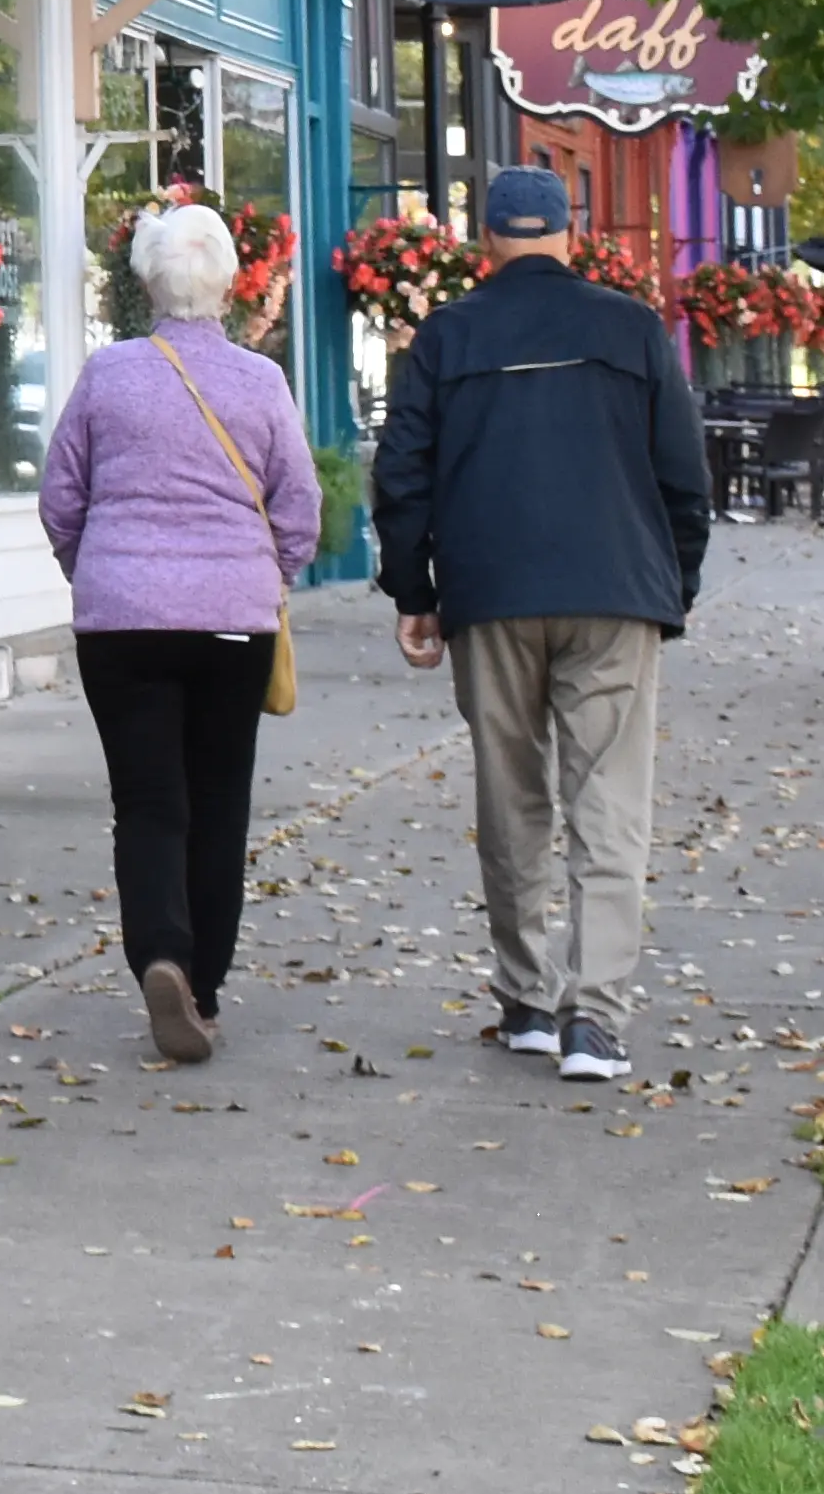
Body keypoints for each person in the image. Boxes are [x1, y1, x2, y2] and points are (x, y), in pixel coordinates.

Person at [370, 162, 708, 1083]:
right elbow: (685, 474)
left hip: (492, 591)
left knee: (511, 795)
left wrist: (415, 592)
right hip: (615, 590)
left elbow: (402, 474)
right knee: (609, 802)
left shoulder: (447, 335)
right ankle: (593, 1019)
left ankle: (524, 999)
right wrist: (676, 581)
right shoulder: (634, 328)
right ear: (570, 235)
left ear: (489, 242)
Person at [36, 199, 324, 1064]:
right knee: (219, 800)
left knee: (148, 802)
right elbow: (298, 506)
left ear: (147, 284)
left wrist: (100, 569)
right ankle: (201, 988)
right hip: (231, 622)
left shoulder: (108, 374)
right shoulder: (260, 382)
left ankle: (159, 951)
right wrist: (272, 575)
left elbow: (60, 496)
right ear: (231, 281)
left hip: (121, 621)